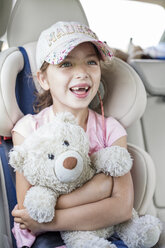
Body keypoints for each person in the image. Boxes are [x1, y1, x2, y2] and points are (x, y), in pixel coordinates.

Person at [11, 21, 134, 248]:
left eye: (91, 62)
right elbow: (31, 209)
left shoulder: (111, 130)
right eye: (66, 63)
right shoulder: (28, 130)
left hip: (103, 237)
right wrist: (101, 189)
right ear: (44, 79)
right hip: (50, 241)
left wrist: (48, 221)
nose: (82, 73)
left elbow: (122, 208)